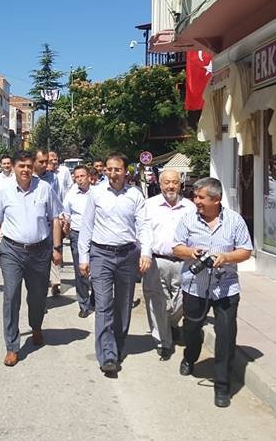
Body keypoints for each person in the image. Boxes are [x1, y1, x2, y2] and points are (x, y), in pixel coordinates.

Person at [173, 177, 253, 408]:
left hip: (226, 288)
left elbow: (246, 251)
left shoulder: (235, 221)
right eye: (195, 196)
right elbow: (176, 248)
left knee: (226, 337)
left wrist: (225, 257)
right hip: (194, 287)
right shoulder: (188, 219)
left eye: (201, 197)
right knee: (191, 328)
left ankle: (222, 385)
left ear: (216, 200)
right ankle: (190, 356)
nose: (195, 201)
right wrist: (191, 252)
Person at [0, 150, 63, 367]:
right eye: (22, 166)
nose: (26, 169)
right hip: (12, 251)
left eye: (29, 165)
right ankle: (12, 346)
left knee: (37, 296)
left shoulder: (45, 189)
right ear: (14, 168)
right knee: (11, 296)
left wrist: (57, 249)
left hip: (40, 251)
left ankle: (36, 327)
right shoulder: (4, 192)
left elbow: (55, 219)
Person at [78, 153, 152, 377]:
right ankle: (107, 354)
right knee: (103, 304)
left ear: (125, 171)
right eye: (108, 169)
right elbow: (87, 225)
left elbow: (144, 225)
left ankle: (118, 346)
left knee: (123, 305)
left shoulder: (135, 195)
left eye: (117, 169)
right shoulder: (96, 193)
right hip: (101, 254)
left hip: (128, 255)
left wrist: (145, 252)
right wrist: (84, 256)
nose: (112, 173)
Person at [143, 169, 193, 361]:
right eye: (167, 183)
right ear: (160, 183)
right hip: (157, 261)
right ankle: (163, 342)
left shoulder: (189, 207)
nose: (171, 186)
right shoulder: (150, 205)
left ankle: (171, 323)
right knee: (156, 302)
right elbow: (143, 232)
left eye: (174, 182)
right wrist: (143, 255)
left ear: (180, 184)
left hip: (184, 262)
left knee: (182, 302)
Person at [61, 165, 95, 318]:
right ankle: (84, 303)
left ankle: (96, 298)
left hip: (96, 236)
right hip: (77, 234)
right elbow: (66, 215)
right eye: (77, 177)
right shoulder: (71, 194)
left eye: (82, 176)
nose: (80, 179)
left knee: (97, 270)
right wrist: (66, 231)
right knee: (80, 270)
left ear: (89, 177)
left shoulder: (97, 193)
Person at [33, 149, 65, 297]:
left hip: (51, 223)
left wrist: (61, 218)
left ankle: (55, 282)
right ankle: (41, 294)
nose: (46, 165)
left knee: (54, 252)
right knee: (39, 263)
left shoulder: (52, 178)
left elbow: (57, 200)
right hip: (35, 225)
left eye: (47, 161)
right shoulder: (28, 177)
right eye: (42, 162)